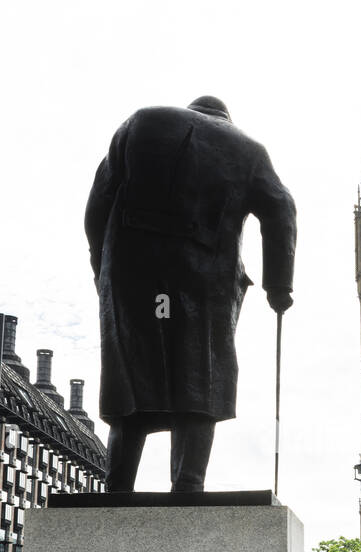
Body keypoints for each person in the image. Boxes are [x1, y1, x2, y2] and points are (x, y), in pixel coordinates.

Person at [86, 96, 297, 493]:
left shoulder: (140, 121)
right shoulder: (248, 149)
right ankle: (187, 484)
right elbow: (282, 208)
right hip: (203, 279)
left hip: (131, 273)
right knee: (201, 375)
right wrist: (278, 285)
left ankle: (116, 485)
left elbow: (97, 203)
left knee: (130, 377)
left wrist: (103, 266)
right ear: (225, 119)